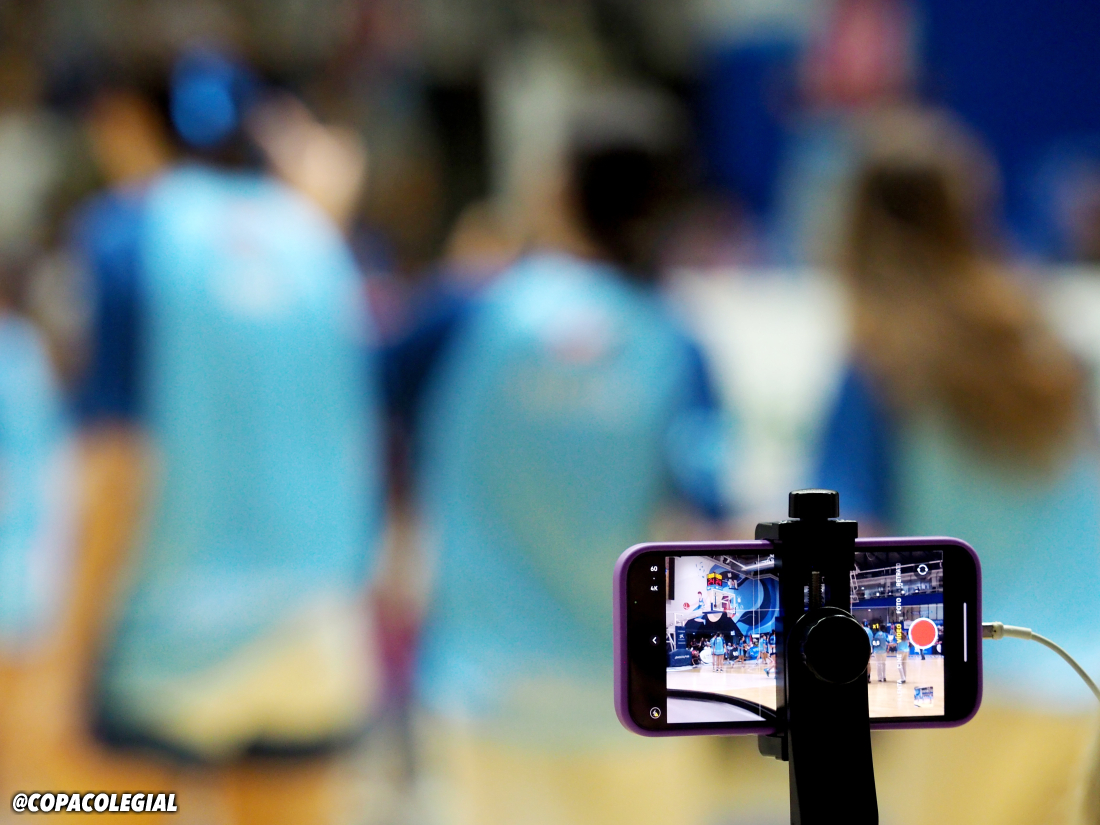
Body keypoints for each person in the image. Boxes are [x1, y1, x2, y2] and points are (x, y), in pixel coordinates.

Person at [406, 89, 750, 825]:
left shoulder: (470, 312)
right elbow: (706, 529)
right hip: (633, 704)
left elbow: (355, 392)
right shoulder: (673, 343)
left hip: (486, 694)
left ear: (556, 187)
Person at [64, 52, 384, 825]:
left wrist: (74, 640)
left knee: (75, 801)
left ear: (129, 124)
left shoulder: (127, 234)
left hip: (163, 634)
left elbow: (118, 457)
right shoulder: (320, 240)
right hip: (313, 624)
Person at [816, 108, 1100, 825]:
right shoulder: (1044, 342)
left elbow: (852, 538)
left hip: (961, 689)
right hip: (1083, 679)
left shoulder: (883, 366)